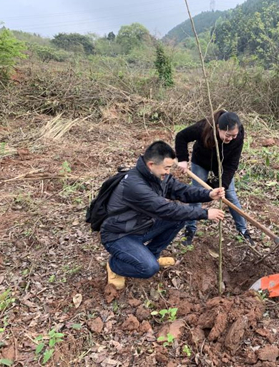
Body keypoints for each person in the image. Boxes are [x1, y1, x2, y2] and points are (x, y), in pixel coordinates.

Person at [100, 141, 225, 290]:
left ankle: (151, 255)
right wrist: (204, 213)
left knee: (179, 219)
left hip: (141, 226)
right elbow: (166, 209)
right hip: (119, 235)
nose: (168, 172)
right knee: (148, 268)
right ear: (151, 164)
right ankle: (115, 265)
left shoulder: (158, 176)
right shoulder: (134, 185)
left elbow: (181, 190)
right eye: (166, 168)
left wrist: (208, 194)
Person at [175, 110, 253, 246]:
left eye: (234, 135)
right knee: (196, 193)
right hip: (201, 161)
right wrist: (182, 159)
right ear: (218, 128)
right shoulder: (203, 127)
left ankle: (243, 230)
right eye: (228, 135)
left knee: (231, 195)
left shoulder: (238, 134)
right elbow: (181, 136)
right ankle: (190, 229)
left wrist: (222, 184)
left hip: (224, 165)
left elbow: (233, 164)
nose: (231, 138)